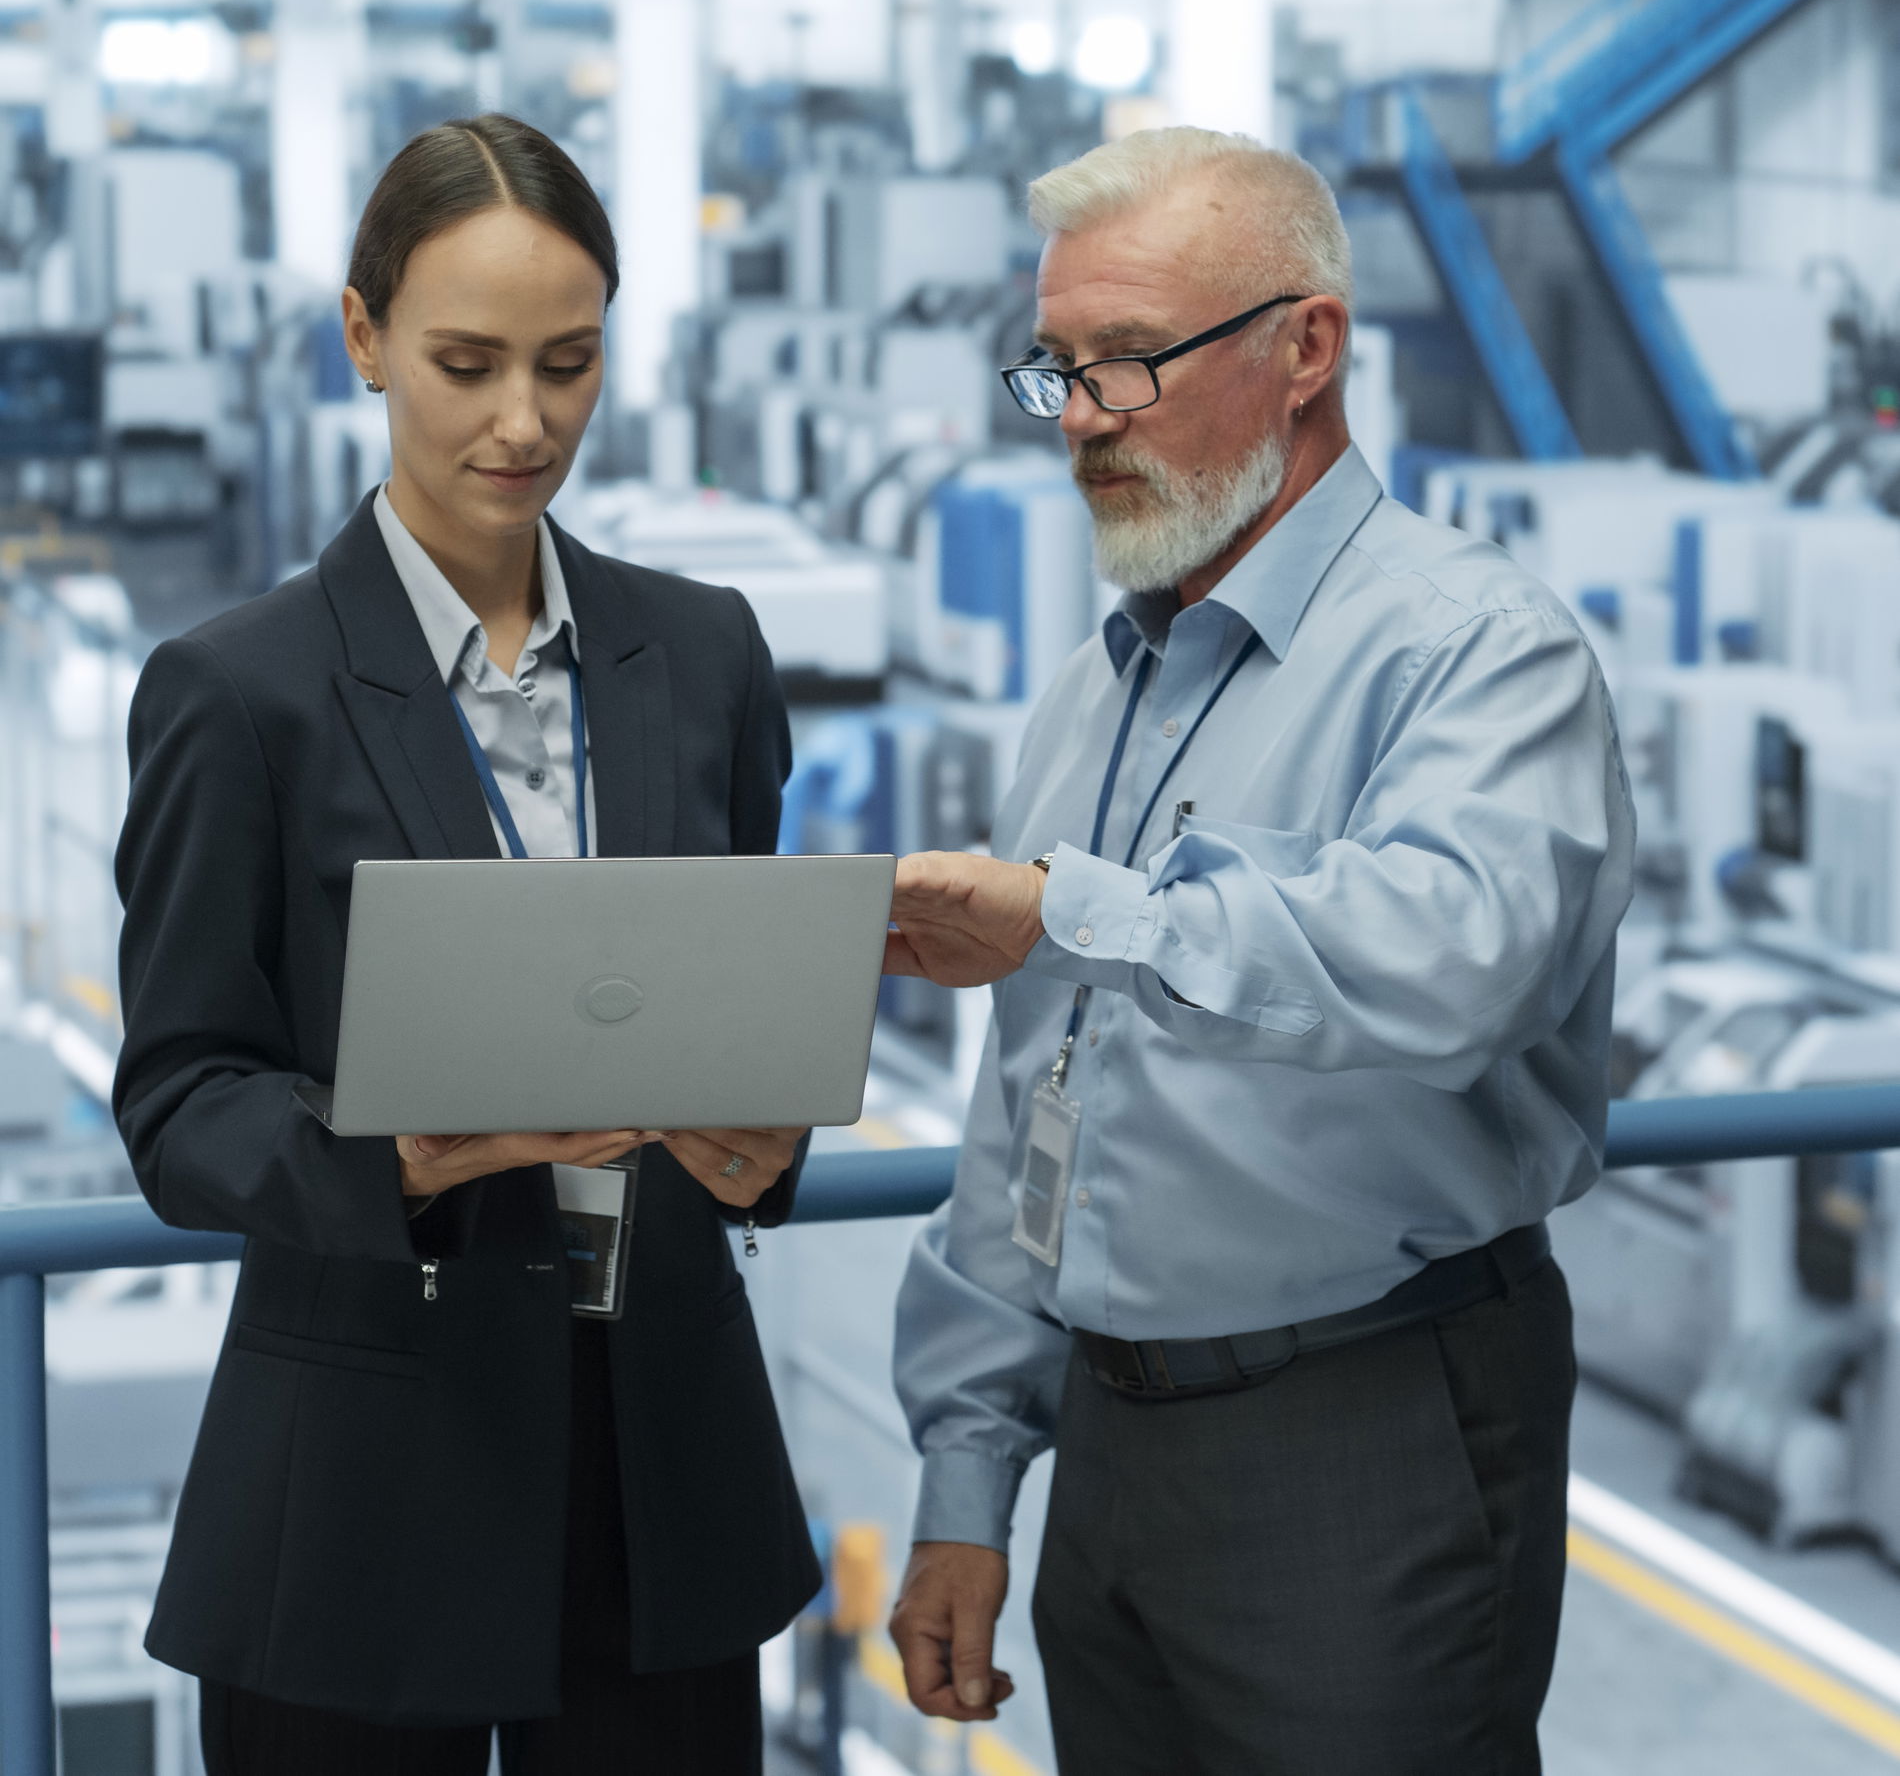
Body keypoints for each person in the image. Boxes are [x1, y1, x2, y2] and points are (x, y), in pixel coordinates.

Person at [883, 127, 1637, 1775]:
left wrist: (1085, 914)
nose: (1082, 419)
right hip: (1111, 1445)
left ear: (1308, 349)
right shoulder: (1102, 683)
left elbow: (1460, 956)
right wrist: (969, 1478)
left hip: (1364, 1424)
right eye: (1057, 369)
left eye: (1132, 363)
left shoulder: (1475, 655)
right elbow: (1035, 1110)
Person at [112, 114, 818, 1776]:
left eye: (568, 364)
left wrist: (763, 1141)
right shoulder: (241, 694)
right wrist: (403, 1154)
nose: (525, 421)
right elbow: (181, 1099)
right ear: (362, 340)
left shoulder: (704, 656)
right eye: (468, 362)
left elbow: (744, 1014)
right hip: (363, 1488)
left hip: (659, 1474)